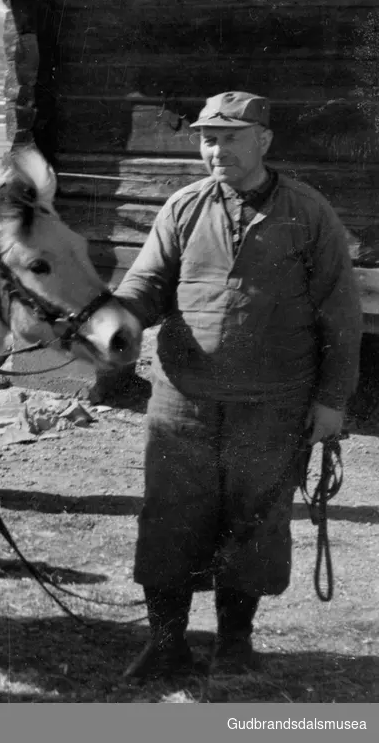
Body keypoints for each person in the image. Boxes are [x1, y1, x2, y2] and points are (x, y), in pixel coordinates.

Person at [114, 91, 363, 679]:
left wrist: (331, 402)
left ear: (263, 142)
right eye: (207, 138)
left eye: (229, 137)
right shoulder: (182, 207)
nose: (216, 149)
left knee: (254, 519)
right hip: (183, 398)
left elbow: (341, 315)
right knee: (169, 516)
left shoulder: (309, 211)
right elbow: (145, 283)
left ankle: (234, 643)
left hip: (273, 403)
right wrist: (118, 317)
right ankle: (167, 642)